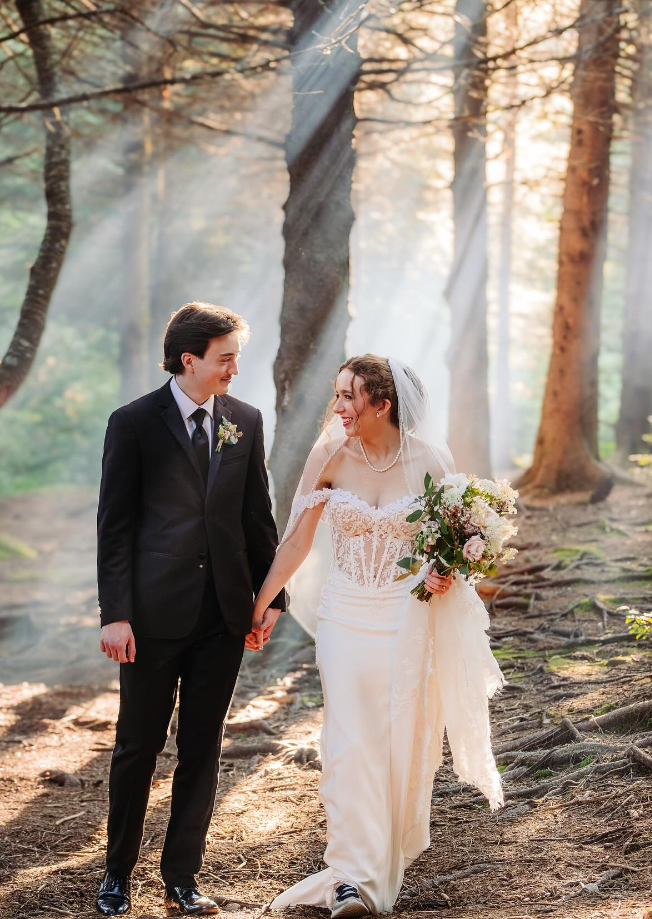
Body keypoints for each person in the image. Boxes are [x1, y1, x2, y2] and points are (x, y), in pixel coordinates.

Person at [251, 355, 504, 918]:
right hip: (343, 618)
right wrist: (259, 603)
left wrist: (445, 574)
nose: (337, 407)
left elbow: (456, 550)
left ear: (383, 405)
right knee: (348, 740)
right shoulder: (329, 453)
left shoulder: (431, 461)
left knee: (396, 738)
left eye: (348, 397)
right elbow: (295, 541)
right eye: (337, 394)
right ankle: (349, 878)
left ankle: (376, 865)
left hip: (402, 618)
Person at [95, 302, 285, 917]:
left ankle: (182, 876)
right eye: (225, 357)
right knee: (137, 748)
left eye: (236, 357)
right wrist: (115, 612)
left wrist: (270, 597)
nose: (234, 368)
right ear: (189, 359)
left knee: (202, 748)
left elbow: (258, 517)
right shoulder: (133, 423)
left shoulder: (246, 420)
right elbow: (115, 526)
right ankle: (117, 876)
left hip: (223, 618)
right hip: (148, 619)